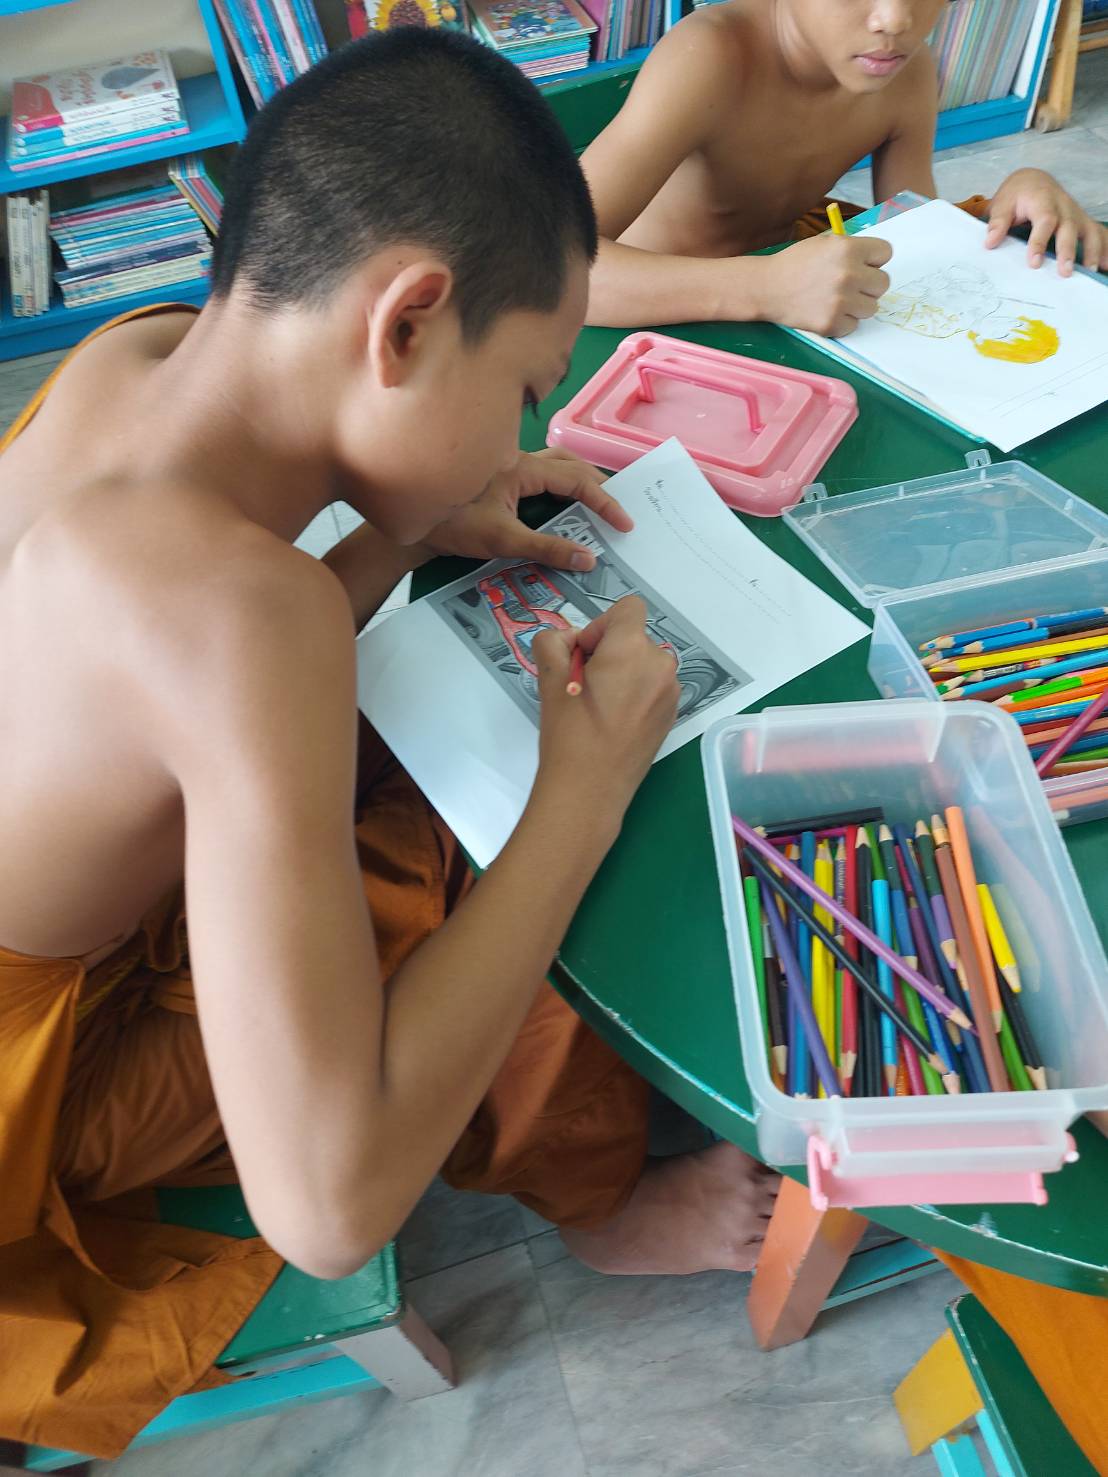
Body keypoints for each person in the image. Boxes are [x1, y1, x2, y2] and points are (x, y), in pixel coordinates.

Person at [0, 30, 778, 1461]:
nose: (518, 431)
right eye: (526, 386)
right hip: (34, 1092)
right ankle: (604, 1210)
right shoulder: (248, 620)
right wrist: (579, 796)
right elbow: (327, 1205)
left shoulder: (138, 354)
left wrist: (399, 534)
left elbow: (160, 673)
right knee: (479, 840)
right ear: (407, 323)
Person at [580, 0, 1108, 334]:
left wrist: (1010, 201)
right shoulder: (709, 54)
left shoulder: (909, 73)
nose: (895, 20)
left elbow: (912, 228)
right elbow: (551, 266)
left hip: (789, 301)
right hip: (643, 313)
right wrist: (766, 287)